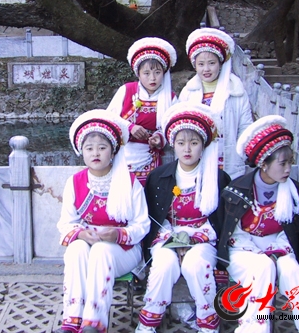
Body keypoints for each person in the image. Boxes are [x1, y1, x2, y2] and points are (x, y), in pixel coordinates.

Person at [217, 115, 299, 332]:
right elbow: (231, 234)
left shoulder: (296, 193)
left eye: (290, 162)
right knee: (262, 267)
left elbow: (296, 235)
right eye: (282, 163)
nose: (288, 169)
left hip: (280, 248)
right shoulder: (236, 191)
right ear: (263, 163)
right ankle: (255, 328)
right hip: (243, 250)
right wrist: (261, 254)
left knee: (292, 271)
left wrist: (277, 252)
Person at [135, 103, 231, 333]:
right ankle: (148, 323)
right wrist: (175, 241)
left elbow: (222, 221)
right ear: (172, 144)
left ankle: (208, 323)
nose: (187, 149)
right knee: (164, 264)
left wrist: (194, 240)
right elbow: (154, 218)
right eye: (181, 143)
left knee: (195, 264)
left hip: (204, 239)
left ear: (203, 145)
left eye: (194, 143)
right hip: (168, 237)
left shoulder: (218, 178)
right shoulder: (159, 176)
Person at [57, 109, 150, 333]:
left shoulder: (129, 182)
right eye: (89, 148)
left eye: (102, 147)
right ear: (81, 152)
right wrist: (81, 234)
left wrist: (117, 234)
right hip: (89, 243)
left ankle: (94, 323)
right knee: (76, 249)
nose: (95, 153)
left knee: (101, 251)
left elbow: (142, 224)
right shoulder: (75, 182)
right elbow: (66, 223)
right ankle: (72, 320)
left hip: (123, 249)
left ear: (113, 150)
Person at [179, 28, 252, 179]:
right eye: (201, 64)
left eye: (211, 63)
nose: (206, 69)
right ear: (195, 65)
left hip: (228, 159)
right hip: (196, 158)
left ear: (220, 63)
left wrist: (240, 153)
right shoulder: (188, 92)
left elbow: (245, 126)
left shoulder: (236, 91)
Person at [107, 37, 178, 186]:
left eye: (157, 72)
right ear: (138, 73)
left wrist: (159, 138)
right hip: (124, 154)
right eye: (146, 73)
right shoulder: (126, 90)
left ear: (164, 73)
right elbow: (108, 119)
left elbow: (174, 128)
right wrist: (129, 127)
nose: (153, 78)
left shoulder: (170, 98)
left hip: (151, 158)